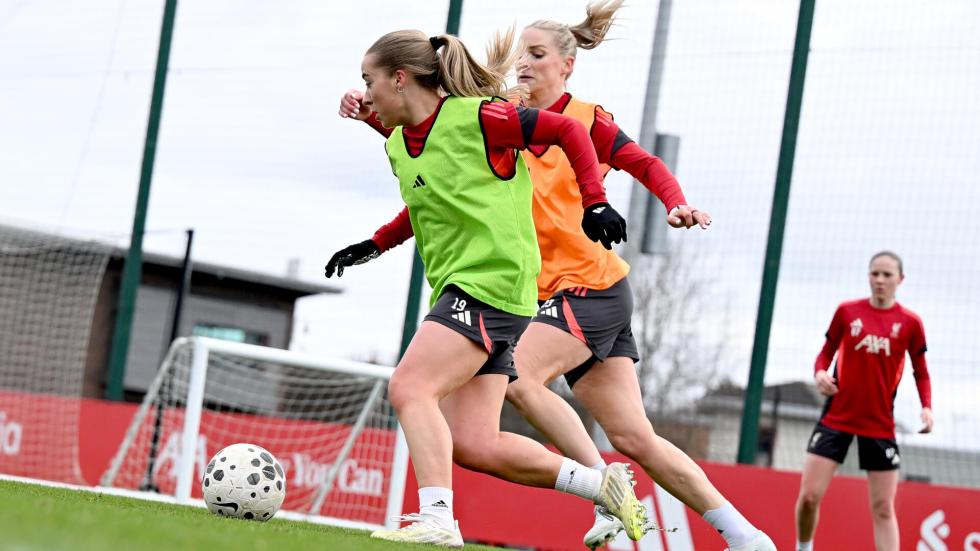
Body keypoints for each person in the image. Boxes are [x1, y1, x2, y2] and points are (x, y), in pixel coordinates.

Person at [338, 4, 775, 549]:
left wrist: (672, 203)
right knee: (633, 436)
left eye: (537, 54)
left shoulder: (582, 122)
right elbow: (435, 173)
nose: (523, 62)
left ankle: (603, 490)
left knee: (515, 377)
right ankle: (746, 536)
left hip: (589, 287)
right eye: (520, 53)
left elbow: (646, 164)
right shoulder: (499, 120)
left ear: (567, 65)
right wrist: (373, 129)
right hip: (540, 295)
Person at [325, 28, 649, 547]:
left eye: (369, 81)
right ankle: (601, 486)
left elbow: (569, 130)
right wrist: (375, 244)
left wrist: (595, 201)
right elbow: (432, 197)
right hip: (473, 291)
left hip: (490, 284)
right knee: (475, 444)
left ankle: (437, 520)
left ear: (400, 78)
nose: (364, 92)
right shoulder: (401, 144)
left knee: (410, 388)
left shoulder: (482, 117)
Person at [795, 251, 933, 551]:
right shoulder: (847, 312)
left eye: (887, 275)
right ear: (868, 276)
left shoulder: (910, 323)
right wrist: (820, 373)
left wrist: (926, 407)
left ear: (900, 279)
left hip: (879, 424)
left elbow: (921, 372)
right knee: (808, 498)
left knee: (883, 508)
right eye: (875, 273)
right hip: (836, 418)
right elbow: (825, 353)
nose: (880, 280)